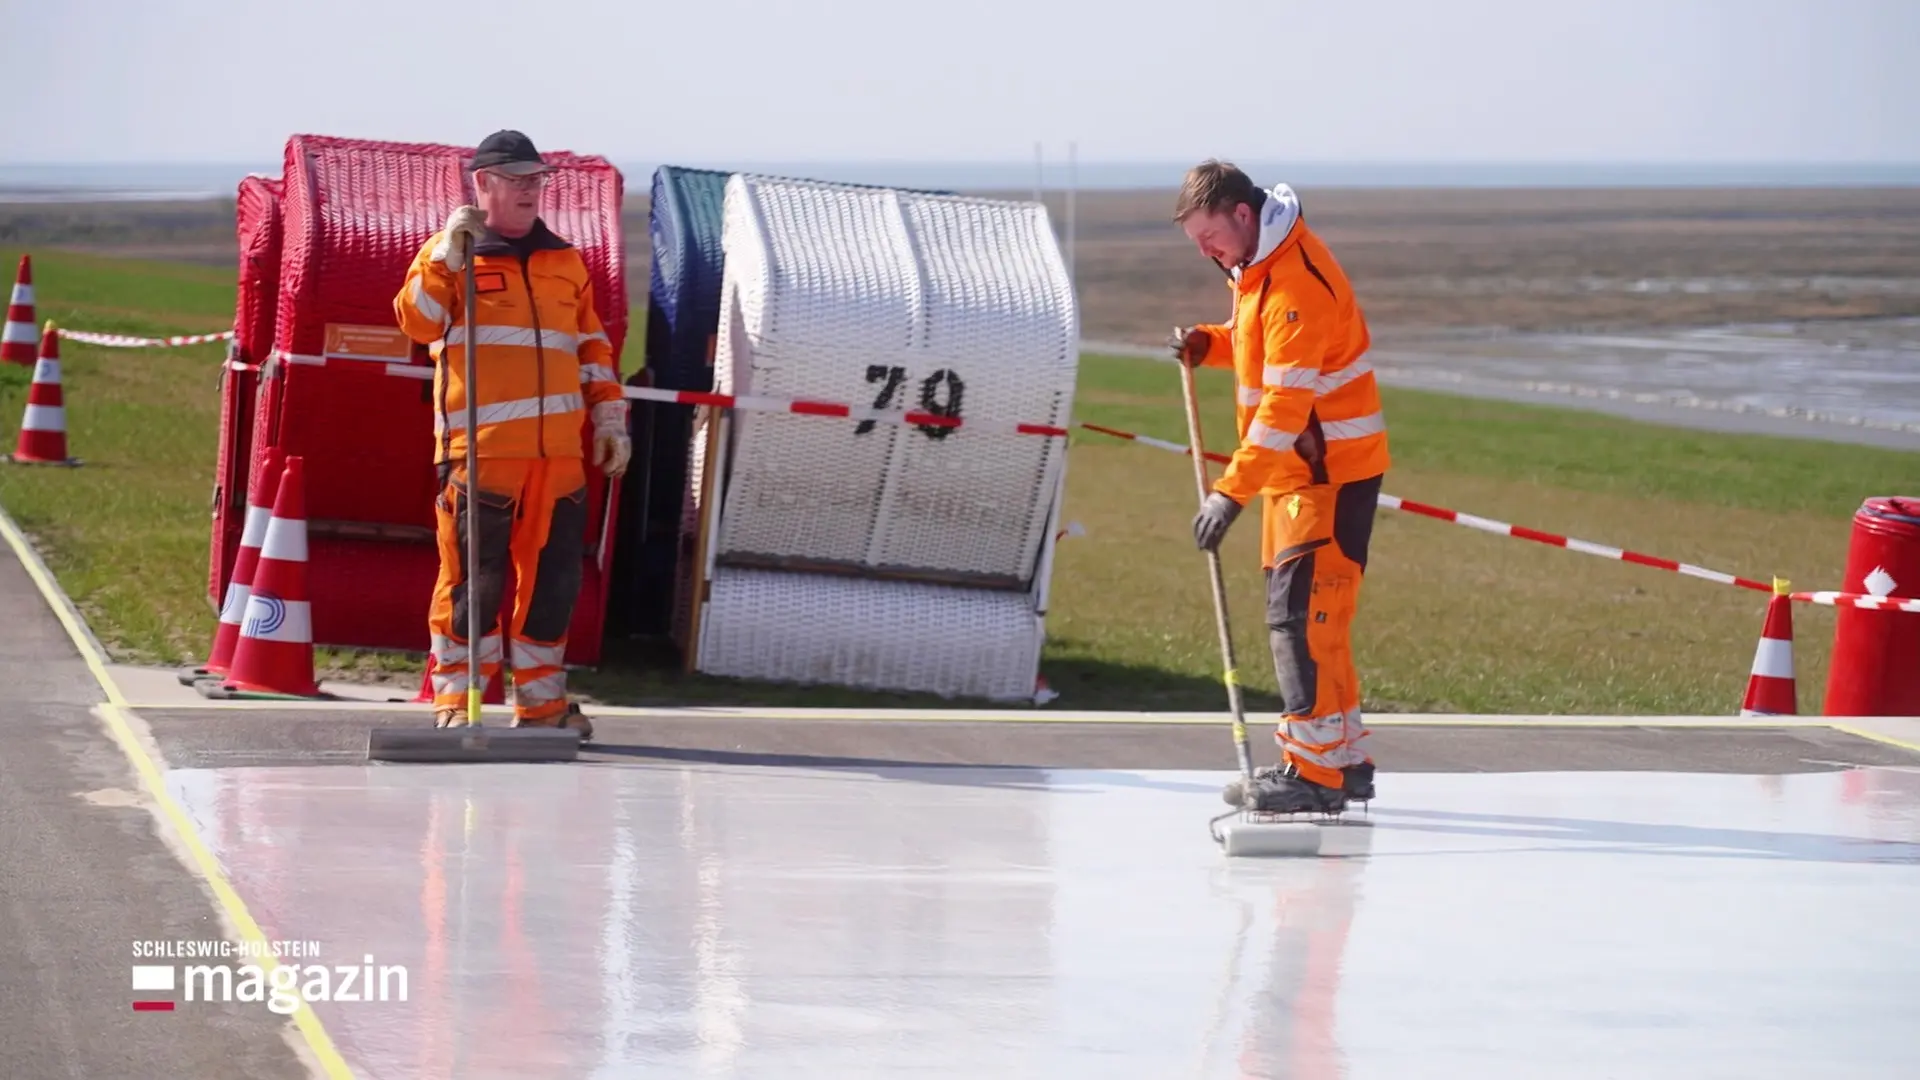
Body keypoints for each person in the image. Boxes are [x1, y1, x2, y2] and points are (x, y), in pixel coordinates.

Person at [393, 129, 632, 737]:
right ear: (484, 185)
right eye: (518, 179)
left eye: (537, 180)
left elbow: (592, 348)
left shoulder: (566, 261)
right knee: (474, 584)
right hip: (481, 457)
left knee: (553, 586)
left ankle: (543, 708)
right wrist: (449, 254)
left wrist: (609, 415)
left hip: (558, 461)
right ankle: (456, 704)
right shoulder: (453, 255)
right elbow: (418, 322)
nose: (531, 190)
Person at [1168, 159, 1390, 813]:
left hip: (1322, 477)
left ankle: (1312, 774)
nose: (1206, 252)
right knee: (1323, 623)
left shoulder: (1293, 283)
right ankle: (1343, 760)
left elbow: (1284, 409)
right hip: (1305, 475)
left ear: (1242, 215)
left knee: (1300, 624)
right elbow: (1260, 345)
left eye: (1209, 237)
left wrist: (1228, 493)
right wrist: (1211, 344)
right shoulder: (1262, 267)